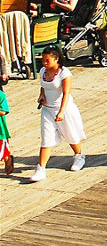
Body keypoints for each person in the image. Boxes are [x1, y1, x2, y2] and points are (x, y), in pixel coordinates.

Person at [27, 50, 87, 181]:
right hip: (47, 110)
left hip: (64, 110)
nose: (44, 63)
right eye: (43, 60)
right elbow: (43, 85)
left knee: (71, 134)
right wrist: (41, 95)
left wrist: (61, 111)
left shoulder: (64, 73)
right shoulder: (43, 71)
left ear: (57, 60)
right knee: (46, 139)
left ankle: (79, 156)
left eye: (47, 60)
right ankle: (41, 169)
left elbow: (66, 94)